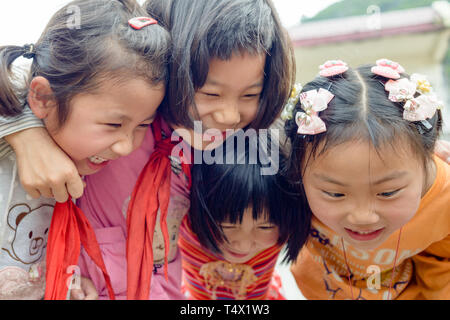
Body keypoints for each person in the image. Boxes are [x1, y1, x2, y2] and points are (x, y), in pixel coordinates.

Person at [0, 0, 295, 299]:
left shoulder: (224, 145)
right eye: (210, 93)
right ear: (171, 64)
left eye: (251, 93)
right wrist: (25, 133)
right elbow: (32, 66)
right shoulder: (119, 120)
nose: (228, 116)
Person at [0, 0, 170, 299]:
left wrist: (70, 283)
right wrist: (23, 131)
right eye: (114, 124)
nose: (126, 146)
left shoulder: (83, 160)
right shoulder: (9, 145)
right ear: (43, 98)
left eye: (143, 125)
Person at [283, 59, 449, 300]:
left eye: (388, 192)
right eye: (335, 193)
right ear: (298, 172)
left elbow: (443, 267)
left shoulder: (444, 199)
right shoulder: (281, 188)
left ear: (428, 158)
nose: (363, 217)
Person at [179, 132, 310, 300]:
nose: (243, 244)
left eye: (265, 226)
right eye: (228, 225)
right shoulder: (184, 218)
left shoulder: (286, 215)